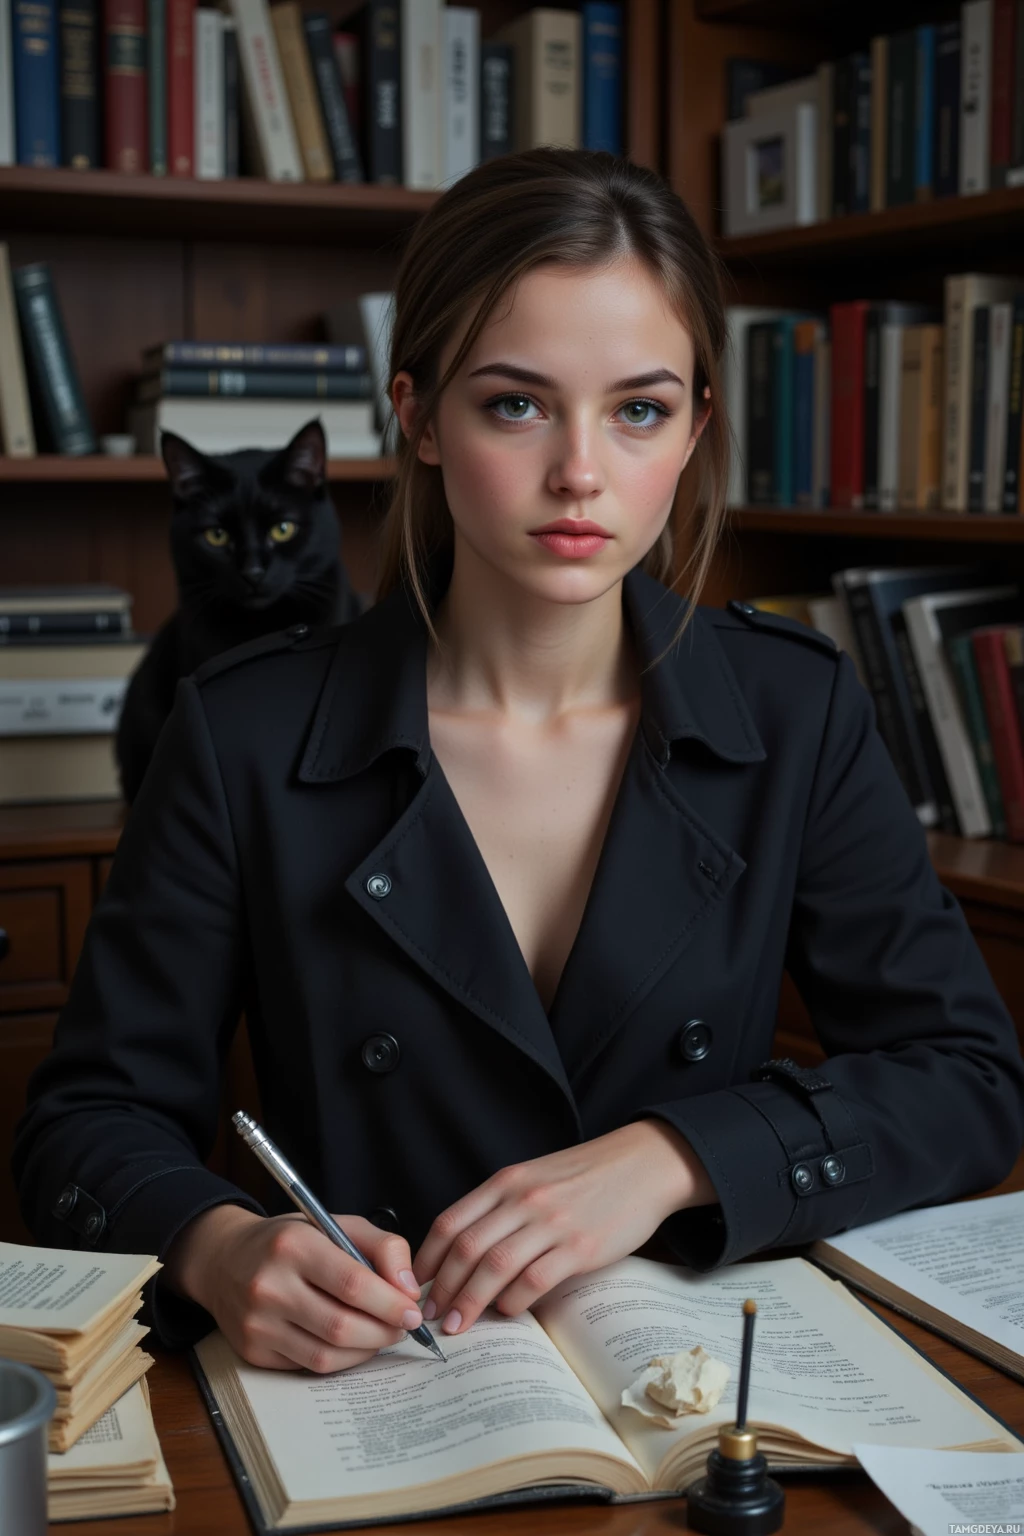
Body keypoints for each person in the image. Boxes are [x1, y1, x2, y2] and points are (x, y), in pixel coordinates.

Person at [13, 149, 1024, 1380]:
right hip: (379, 1391)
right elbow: (82, 1125)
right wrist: (217, 1248)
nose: (581, 473)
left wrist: (674, 1155)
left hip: (704, 1392)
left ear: (697, 424)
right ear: (418, 416)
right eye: (515, 403)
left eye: (638, 409)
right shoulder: (243, 733)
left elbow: (968, 1081)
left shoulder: (792, 706)